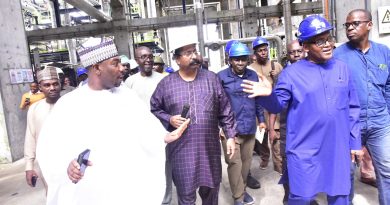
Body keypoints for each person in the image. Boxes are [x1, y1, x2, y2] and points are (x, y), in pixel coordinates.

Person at [36, 40, 189, 205]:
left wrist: (165, 136)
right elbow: (50, 149)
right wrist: (67, 166)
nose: (122, 68)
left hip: (126, 188)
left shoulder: (127, 96)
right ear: (97, 68)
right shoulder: (69, 104)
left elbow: (146, 128)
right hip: (91, 193)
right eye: (115, 63)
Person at [241, 15, 363, 205]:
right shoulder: (291, 74)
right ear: (305, 47)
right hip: (305, 149)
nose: (327, 44)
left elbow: (353, 108)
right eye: (319, 41)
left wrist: (355, 142)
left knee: (340, 196)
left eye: (328, 38)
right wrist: (267, 95)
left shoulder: (342, 69)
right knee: (301, 197)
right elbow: (277, 105)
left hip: (337, 147)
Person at [150, 41, 236, 205]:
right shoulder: (166, 84)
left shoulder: (211, 79)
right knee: (186, 196)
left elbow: (225, 108)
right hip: (182, 152)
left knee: (211, 194)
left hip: (209, 150)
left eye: (194, 51)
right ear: (177, 59)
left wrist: (230, 136)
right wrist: (169, 119)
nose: (194, 56)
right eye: (188, 53)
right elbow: (154, 109)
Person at [333, 9, 390, 205]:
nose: (349, 27)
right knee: (346, 174)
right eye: (347, 24)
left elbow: (389, 86)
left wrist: (387, 114)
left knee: (387, 171)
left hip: (380, 123)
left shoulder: (384, 53)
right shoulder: (337, 56)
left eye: (355, 23)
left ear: (369, 25)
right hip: (348, 124)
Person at [217, 42, 266, 205]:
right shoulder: (221, 77)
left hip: (249, 126)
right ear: (230, 60)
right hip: (229, 129)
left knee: (246, 164)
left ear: (248, 59)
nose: (240, 63)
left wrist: (262, 121)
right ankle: (238, 197)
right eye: (236, 60)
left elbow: (258, 99)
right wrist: (219, 127)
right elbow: (216, 103)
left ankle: (242, 190)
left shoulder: (252, 76)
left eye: (243, 59)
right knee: (234, 163)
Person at [269, 40, 306, 205]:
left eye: (299, 51)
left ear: (304, 51)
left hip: (308, 128)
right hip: (288, 127)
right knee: (288, 164)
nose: (296, 55)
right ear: (288, 55)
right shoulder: (281, 76)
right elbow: (274, 105)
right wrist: (272, 128)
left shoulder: (314, 71)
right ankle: (288, 196)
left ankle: (307, 196)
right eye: (292, 52)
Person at [24, 66, 61, 190]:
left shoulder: (69, 104)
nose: (52, 88)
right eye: (47, 85)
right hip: (46, 162)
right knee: (51, 196)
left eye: (55, 84)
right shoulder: (34, 109)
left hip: (70, 161)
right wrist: (29, 166)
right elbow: (30, 137)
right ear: (40, 87)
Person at [250, 36, 283, 172]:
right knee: (261, 137)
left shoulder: (277, 66)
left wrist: (277, 76)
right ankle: (264, 158)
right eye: (260, 50)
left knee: (275, 136)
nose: (263, 52)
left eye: (265, 50)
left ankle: (279, 165)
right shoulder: (251, 69)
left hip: (274, 106)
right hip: (260, 108)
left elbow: (284, 86)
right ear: (255, 53)